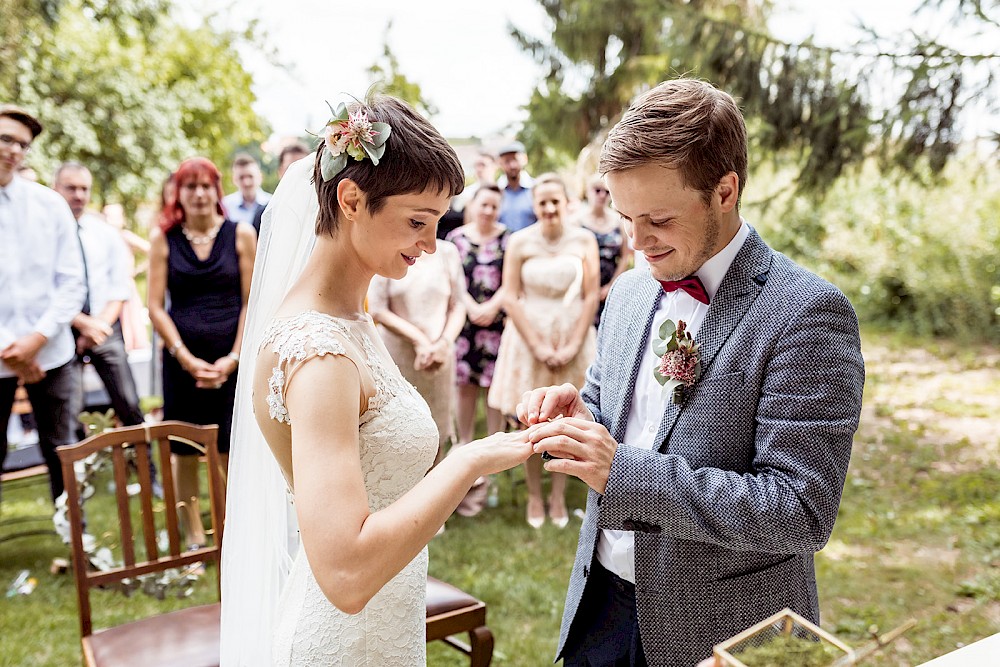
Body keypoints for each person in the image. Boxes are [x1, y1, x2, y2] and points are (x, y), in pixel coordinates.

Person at [518, 79, 865, 667]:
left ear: (724, 190)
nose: (636, 240)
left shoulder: (807, 313)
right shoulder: (628, 292)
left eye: (657, 218)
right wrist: (580, 417)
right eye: (625, 215)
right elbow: (615, 414)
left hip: (721, 624)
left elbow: (799, 510)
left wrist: (624, 473)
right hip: (599, 600)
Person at [219, 94, 533, 665]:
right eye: (417, 221)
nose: (431, 244)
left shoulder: (351, 318)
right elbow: (345, 573)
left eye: (437, 223)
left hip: (384, 632)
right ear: (351, 199)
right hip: (342, 643)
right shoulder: (320, 357)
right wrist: (469, 461)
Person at [148, 157, 256, 547]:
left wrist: (234, 358)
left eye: (205, 185)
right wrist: (185, 356)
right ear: (178, 193)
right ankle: (194, 535)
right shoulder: (164, 239)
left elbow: (251, 301)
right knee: (184, 448)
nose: (197, 194)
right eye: (189, 186)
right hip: (182, 364)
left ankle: (231, 532)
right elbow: (155, 305)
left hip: (232, 361)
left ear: (216, 189)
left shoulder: (241, 234)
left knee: (230, 446)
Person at [488, 173, 600, 529]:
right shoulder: (519, 242)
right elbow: (509, 294)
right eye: (542, 202)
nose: (550, 208)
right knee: (532, 418)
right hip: (528, 337)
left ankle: (557, 497)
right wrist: (536, 344)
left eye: (556, 201)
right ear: (534, 205)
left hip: (572, 335)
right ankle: (535, 494)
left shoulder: (585, 240)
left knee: (567, 420)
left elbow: (590, 295)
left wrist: (572, 343)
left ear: (566, 202)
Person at [0, 105, 86, 503]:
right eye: (6, 139)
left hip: (50, 351)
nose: (14, 150)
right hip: (3, 351)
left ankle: (76, 540)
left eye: (23, 144)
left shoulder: (49, 205)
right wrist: (10, 349)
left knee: (63, 451)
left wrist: (36, 339)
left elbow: (72, 281)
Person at [52, 163, 146, 429]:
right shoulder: (45, 234)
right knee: (67, 413)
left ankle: (144, 467)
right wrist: (81, 324)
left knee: (128, 403)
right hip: (62, 328)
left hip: (105, 328)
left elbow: (120, 285)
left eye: (84, 189)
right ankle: (76, 469)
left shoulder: (105, 233)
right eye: (71, 188)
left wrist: (98, 325)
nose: (79, 195)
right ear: (55, 189)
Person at [367, 236, 466, 463]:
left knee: (436, 430)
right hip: (398, 358)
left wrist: (443, 343)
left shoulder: (448, 252)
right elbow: (377, 309)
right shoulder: (389, 248)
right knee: (399, 434)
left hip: (439, 357)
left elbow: (458, 305)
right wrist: (419, 341)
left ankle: (438, 493)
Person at [576, 175, 633, 324]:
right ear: (588, 191)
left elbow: (625, 257)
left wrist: (611, 286)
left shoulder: (618, 221)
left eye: (606, 192)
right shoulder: (576, 221)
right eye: (597, 190)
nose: (602, 195)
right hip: (582, 290)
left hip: (610, 287)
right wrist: (587, 288)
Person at [252, 141, 311, 235]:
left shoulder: (320, 213)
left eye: (303, 168)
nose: (297, 174)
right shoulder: (264, 214)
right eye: (290, 168)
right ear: (280, 172)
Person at [496, 140, 536, 232]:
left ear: (525, 159)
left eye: (515, 159)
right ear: (500, 164)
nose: (512, 165)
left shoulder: (536, 189)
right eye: (507, 161)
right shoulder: (496, 191)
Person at [222, 152, 271, 225]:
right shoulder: (225, 205)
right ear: (234, 179)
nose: (246, 182)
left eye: (250, 176)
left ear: (260, 177)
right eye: (241, 177)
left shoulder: (271, 204)